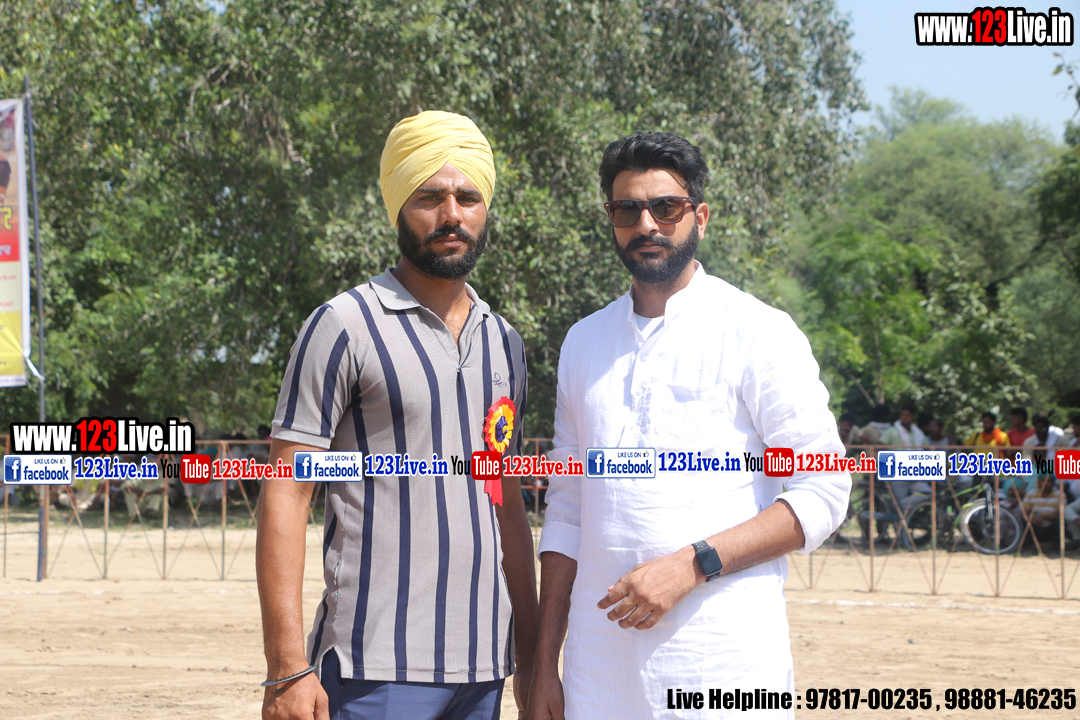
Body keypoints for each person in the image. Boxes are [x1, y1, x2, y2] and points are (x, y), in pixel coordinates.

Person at [526, 132, 850, 720]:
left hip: (722, 666)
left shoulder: (758, 331)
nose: (646, 224)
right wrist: (544, 664)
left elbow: (824, 487)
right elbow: (567, 511)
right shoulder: (583, 342)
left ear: (699, 217)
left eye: (665, 207)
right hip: (597, 675)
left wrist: (692, 564)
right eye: (627, 209)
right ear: (611, 220)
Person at [257, 110, 538, 720]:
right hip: (374, 668)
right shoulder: (343, 325)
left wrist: (535, 658)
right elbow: (286, 492)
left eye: (468, 197)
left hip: (484, 669)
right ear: (398, 207)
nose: (451, 214)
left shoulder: (505, 343)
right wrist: (286, 669)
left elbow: (506, 503)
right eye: (429, 197)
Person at [880, 405, 927, 511]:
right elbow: (879, 446)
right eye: (903, 415)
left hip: (917, 472)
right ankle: (901, 513)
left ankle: (903, 507)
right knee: (899, 501)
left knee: (928, 494)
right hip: (898, 473)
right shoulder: (892, 431)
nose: (905, 417)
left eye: (908, 415)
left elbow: (928, 448)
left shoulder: (918, 433)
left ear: (913, 417)